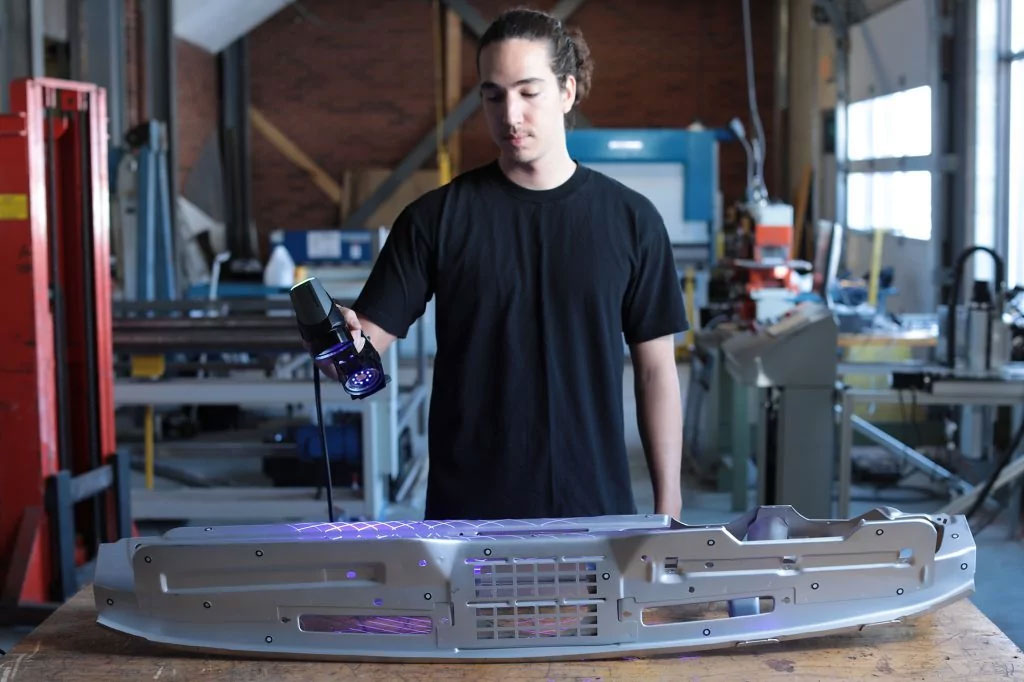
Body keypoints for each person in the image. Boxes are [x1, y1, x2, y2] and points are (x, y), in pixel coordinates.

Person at [332, 8, 688, 520]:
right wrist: (339, 341)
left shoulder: (632, 221)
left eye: (528, 91)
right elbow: (366, 345)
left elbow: (656, 373)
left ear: (566, 92)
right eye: (493, 95)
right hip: (469, 519)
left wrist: (668, 510)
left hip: (596, 510)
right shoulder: (436, 219)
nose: (510, 114)